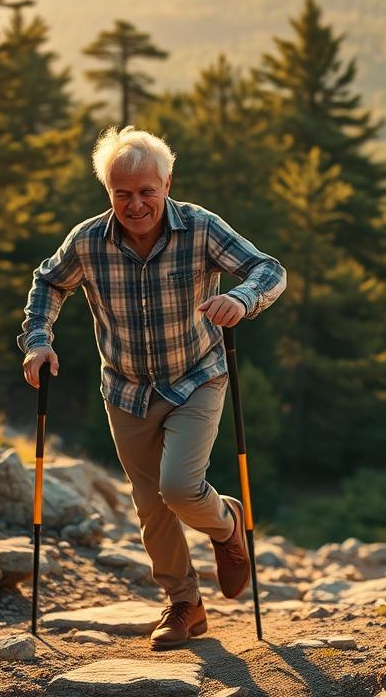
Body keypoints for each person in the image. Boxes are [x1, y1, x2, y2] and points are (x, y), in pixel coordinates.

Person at [16, 126, 286, 649]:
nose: (136, 203)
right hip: (126, 388)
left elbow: (267, 269)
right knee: (150, 504)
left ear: (166, 183)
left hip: (197, 375)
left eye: (147, 191)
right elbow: (48, 282)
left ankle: (227, 524)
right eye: (123, 193)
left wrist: (242, 299)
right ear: (109, 192)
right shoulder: (88, 240)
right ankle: (185, 604)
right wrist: (38, 341)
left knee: (180, 488)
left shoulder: (201, 228)